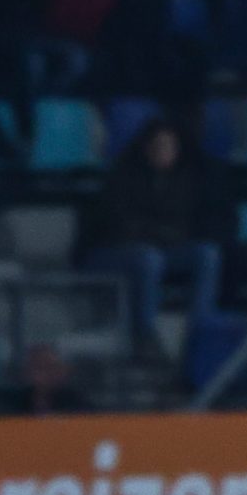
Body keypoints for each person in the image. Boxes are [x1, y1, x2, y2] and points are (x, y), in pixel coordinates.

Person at [83, 119, 222, 360]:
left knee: (207, 253)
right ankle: (144, 335)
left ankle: (200, 331)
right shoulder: (122, 176)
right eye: (159, 146)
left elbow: (185, 227)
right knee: (149, 258)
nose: (165, 152)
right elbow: (120, 227)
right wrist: (160, 233)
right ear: (146, 147)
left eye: (171, 147)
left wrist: (161, 234)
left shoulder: (183, 181)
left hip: (162, 248)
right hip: (111, 251)